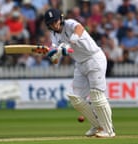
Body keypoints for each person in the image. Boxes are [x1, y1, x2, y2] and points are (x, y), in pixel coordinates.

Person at [44, 8, 115, 138]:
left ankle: (109, 130)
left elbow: (80, 28)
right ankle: (97, 125)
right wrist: (54, 55)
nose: (54, 24)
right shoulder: (54, 36)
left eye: (55, 21)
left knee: (97, 96)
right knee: (76, 100)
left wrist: (70, 43)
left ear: (60, 18)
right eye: (51, 23)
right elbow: (55, 59)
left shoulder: (70, 23)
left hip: (94, 59)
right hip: (80, 64)